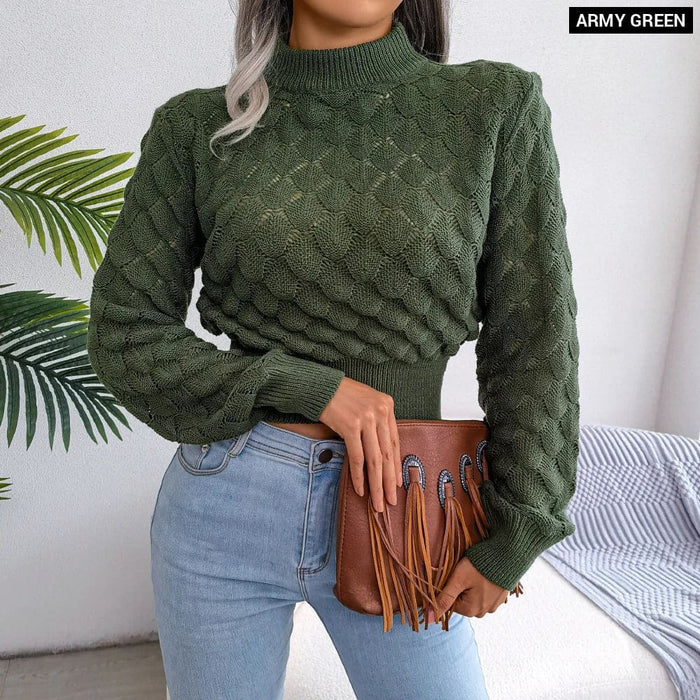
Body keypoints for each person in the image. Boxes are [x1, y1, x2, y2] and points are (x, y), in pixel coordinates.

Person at [86, 0, 580, 698]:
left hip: (403, 505)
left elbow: (534, 339)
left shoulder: (493, 107)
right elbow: (124, 333)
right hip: (225, 503)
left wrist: (521, 524)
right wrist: (311, 388)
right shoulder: (197, 127)